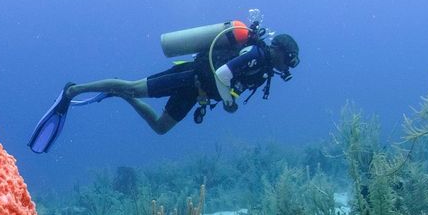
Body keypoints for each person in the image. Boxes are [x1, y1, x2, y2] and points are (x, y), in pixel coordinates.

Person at [28, 18, 300, 153]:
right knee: (133, 86)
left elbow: (229, 82)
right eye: (288, 62)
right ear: (281, 53)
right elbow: (224, 72)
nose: (285, 68)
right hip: (189, 76)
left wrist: (227, 99)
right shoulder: (257, 56)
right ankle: (73, 90)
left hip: (197, 92)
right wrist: (229, 102)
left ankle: (119, 95)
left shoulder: (263, 68)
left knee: (160, 127)